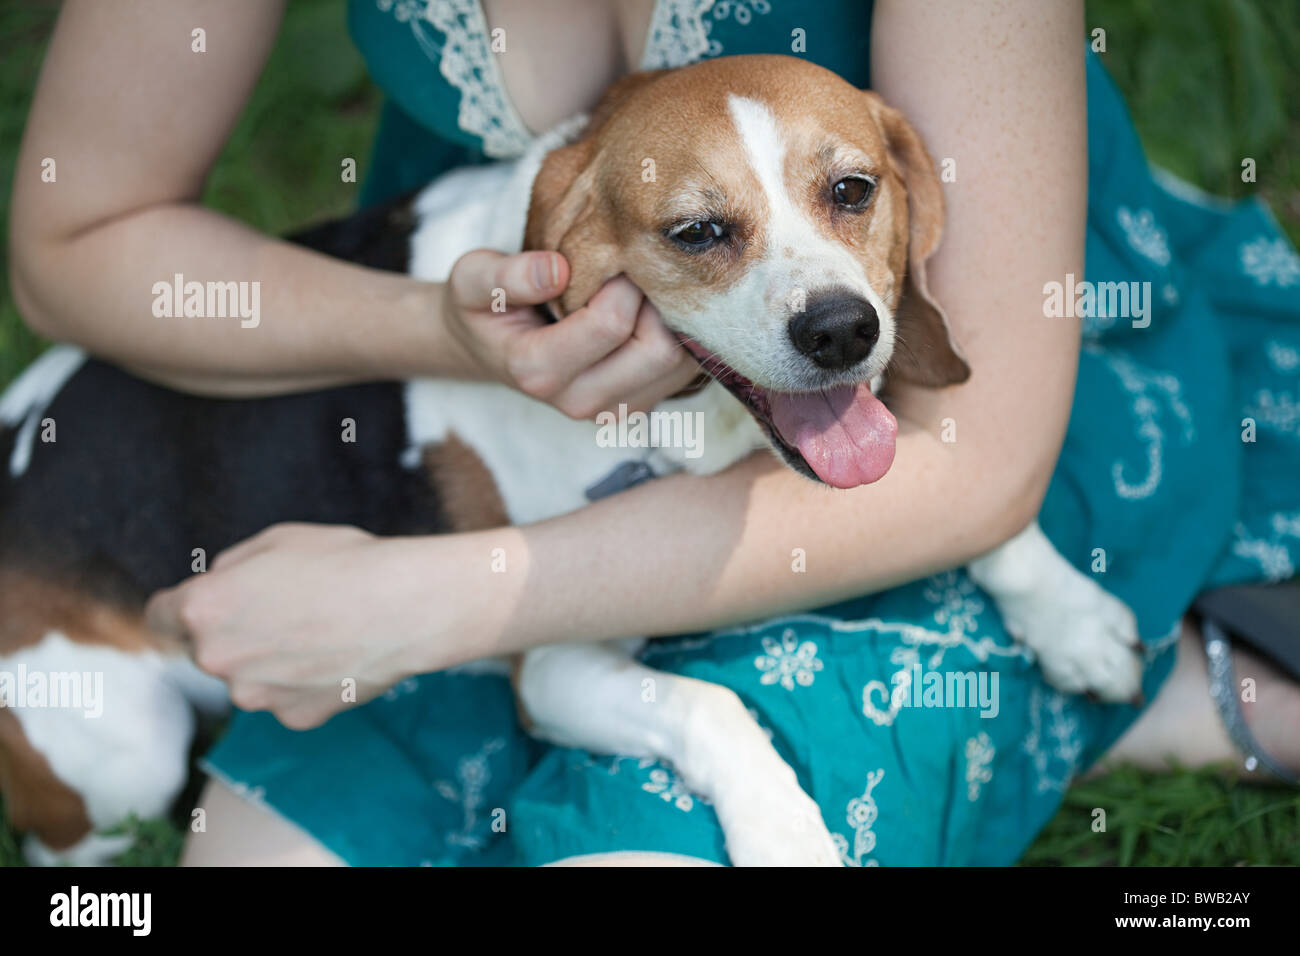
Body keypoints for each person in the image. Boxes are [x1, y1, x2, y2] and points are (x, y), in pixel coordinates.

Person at [9, 0, 1298, 866]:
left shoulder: (864, 311)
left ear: (899, 194)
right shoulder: (544, 255)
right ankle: (1157, 693)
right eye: (700, 230)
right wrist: (442, 332)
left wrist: (437, 601)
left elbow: (964, 465)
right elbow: (79, 242)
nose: (828, 308)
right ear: (569, 243)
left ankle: (1168, 671)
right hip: (183, 568)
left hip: (1006, 415)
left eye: (850, 198)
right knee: (208, 836)